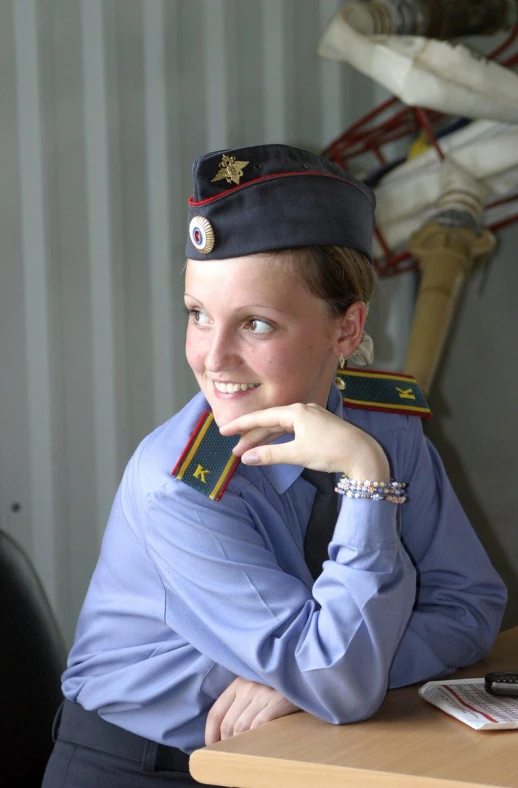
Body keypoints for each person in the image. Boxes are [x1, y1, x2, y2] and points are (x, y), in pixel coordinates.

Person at [42, 143, 507, 788]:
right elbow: (339, 683)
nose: (214, 358)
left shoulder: (383, 429)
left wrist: (303, 684)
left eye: (255, 324)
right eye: (198, 314)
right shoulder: (181, 486)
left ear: (346, 331)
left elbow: (471, 604)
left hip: (294, 745)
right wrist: (324, 674)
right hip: (141, 766)